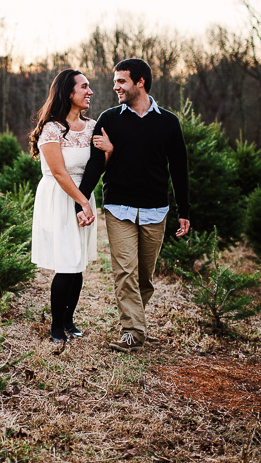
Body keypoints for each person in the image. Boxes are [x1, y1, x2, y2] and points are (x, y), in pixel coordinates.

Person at [76, 58, 190, 353]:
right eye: (115, 82)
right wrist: (81, 199)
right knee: (124, 272)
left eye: (121, 81)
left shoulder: (168, 122)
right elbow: (95, 163)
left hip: (155, 209)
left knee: (143, 278)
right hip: (119, 208)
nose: (115, 87)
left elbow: (179, 168)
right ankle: (133, 333)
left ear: (140, 82)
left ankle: (133, 319)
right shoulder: (109, 119)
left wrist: (185, 211)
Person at [30, 69, 112, 343]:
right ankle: (55, 327)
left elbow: (98, 166)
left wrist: (109, 150)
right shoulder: (51, 129)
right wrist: (81, 202)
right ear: (68, 92)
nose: (90, 92)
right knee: (66, 263)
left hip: (83, 196)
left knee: (77, 264)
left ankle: (69, 321)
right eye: (84, 87)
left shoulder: (91, 127)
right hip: (60, 197)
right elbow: (60, 173)